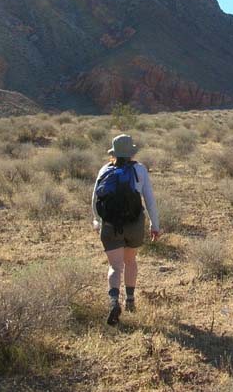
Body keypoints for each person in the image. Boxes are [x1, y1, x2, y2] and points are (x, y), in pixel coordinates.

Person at [92, 134, 160, 325]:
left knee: (115, 266)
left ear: (113, 152)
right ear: (131, 152)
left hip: (110, 224)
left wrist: (97, 221)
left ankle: (113, 300)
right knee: (130, 261)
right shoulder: (139, 170)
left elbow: (94, 199)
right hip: (134, 224)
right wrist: (155, 225)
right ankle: (130, 300)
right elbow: (150, 200)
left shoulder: (105, 170)